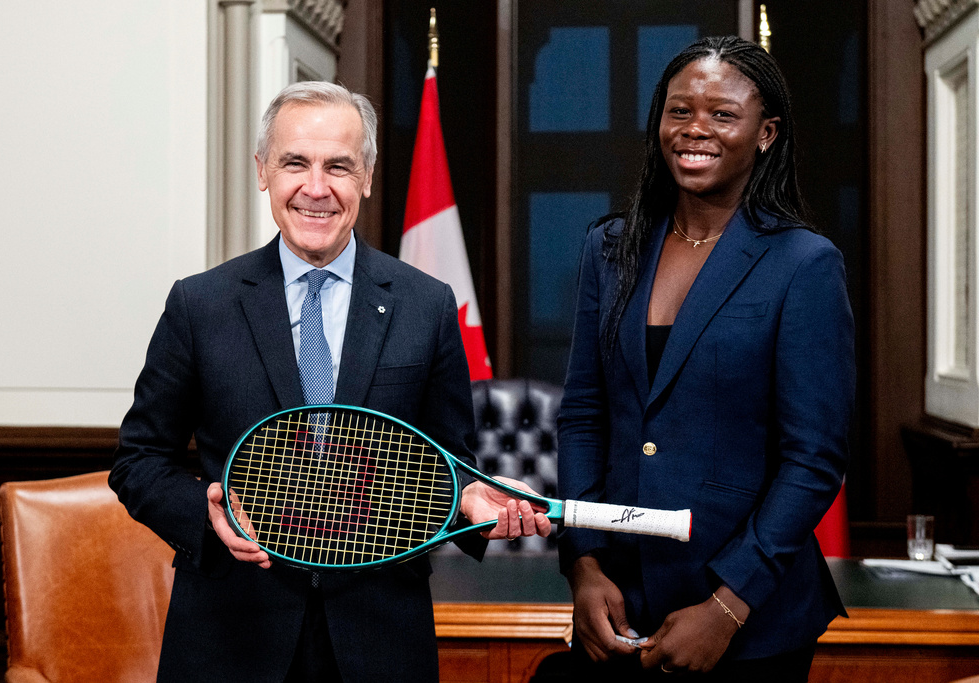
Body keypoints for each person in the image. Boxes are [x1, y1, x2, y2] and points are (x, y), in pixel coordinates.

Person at [111, 81, 550, 683]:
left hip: (380, 640)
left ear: (366, 176)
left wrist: (469, 501)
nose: (316, 189)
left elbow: (448, 464)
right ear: (263, 171)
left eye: (338, 166)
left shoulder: (426, 305)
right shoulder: (200, 304)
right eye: (296, 163)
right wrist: (207, 515)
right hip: (232, 637)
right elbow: (139, 460)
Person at [556, 36, 854, 682]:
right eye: (679, 110)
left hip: (751, 625)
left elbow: (814, 458)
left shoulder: (805, 265)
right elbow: (583, 417)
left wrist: (727, 605)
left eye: (723, 114)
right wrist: (583, 565)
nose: (695, 129)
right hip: (619, 613)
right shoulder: (608, 248)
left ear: (766, 132)